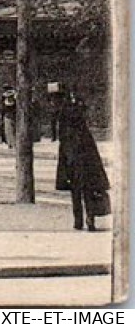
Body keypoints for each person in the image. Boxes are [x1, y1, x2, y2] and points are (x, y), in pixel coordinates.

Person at [54, 90, 109, 231]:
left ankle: (78, 221)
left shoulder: (66, 132)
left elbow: (65, 151)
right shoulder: (85, 133)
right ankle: (90, 218)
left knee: (75, 192)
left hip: (73, 163)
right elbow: (94, 155)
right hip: (86, 163)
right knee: (88, 191)